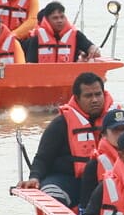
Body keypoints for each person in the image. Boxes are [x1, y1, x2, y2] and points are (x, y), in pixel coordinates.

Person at [18, 72, 116, 207]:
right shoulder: (61, 123)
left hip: (107, 181)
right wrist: (34, 178)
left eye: (98, 94)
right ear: (77, 98)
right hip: (68, 180)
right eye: (88, 96)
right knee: (50, 193)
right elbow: (43, 158)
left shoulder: (117, 121)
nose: (95, 100)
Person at [29, 1, 102, 63]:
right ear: (47, 20)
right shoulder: (37, 38)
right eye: (55, 18)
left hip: (70, 77)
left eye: (62, 17)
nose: (60, 21)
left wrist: (93, 50)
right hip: (44, 77)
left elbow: (91, 48)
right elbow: (30, 64)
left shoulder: (76, 35)